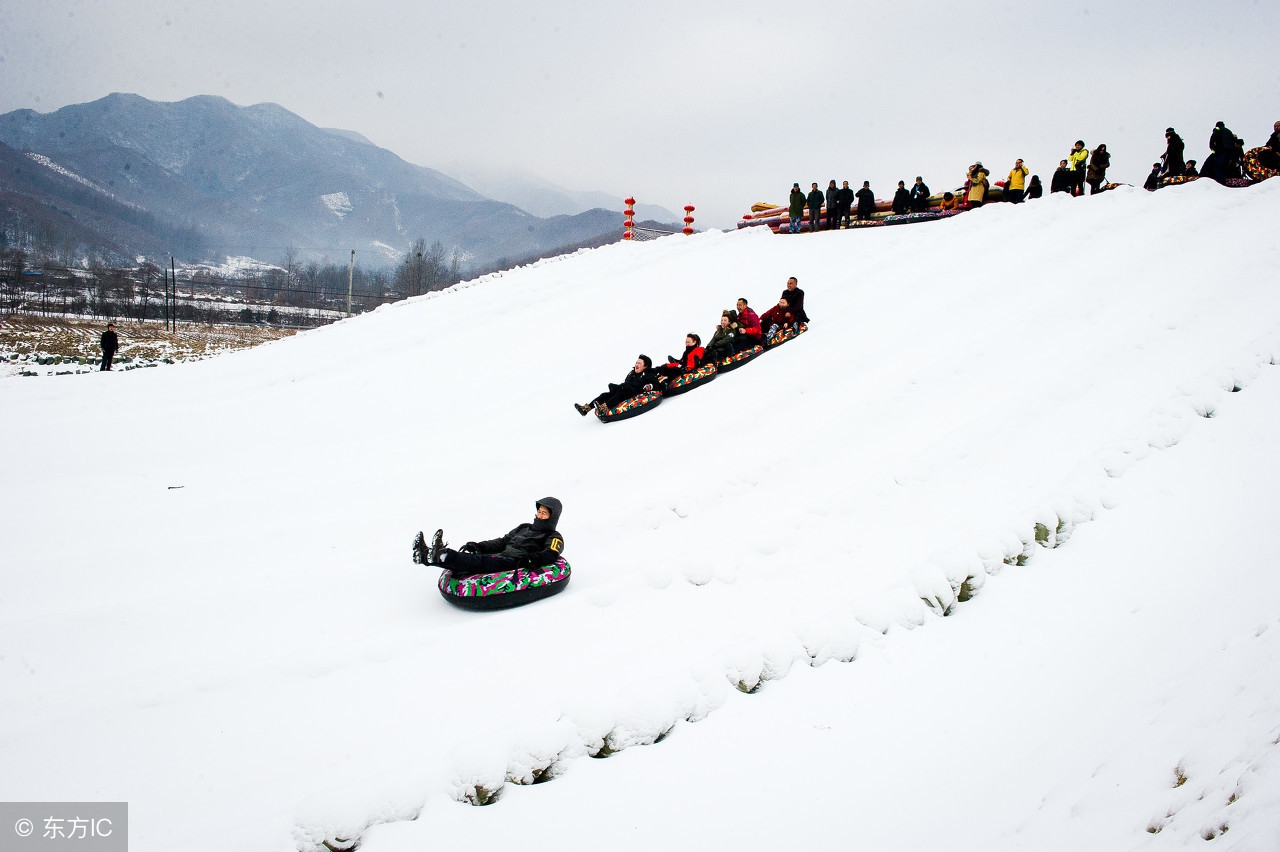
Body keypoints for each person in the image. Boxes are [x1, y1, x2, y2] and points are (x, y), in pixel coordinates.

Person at [412, 497, 565, 579]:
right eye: (539, 511)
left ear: (552, 517)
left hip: (515, 563)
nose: (540, 515)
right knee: (476, 557)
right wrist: (479, 546)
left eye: (544, 513)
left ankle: (442, 553)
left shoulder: (553, 536)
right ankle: (426, 555)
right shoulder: (524, 527)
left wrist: (531, 559)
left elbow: (550, 554)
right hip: (503, 556)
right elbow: (503, 541)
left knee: (480, 563)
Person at [574, 355, 658, 416]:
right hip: (624, 389)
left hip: (633, 392)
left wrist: (650, 386)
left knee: (620, 394)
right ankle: (586, 408)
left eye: (639, 363)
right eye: (636, 362)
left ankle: (604, 408)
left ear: (645, 366)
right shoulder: (632, 373)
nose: (636, 364)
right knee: (605, 394)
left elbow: (657, 385)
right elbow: (626, 383)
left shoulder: (648, 374)